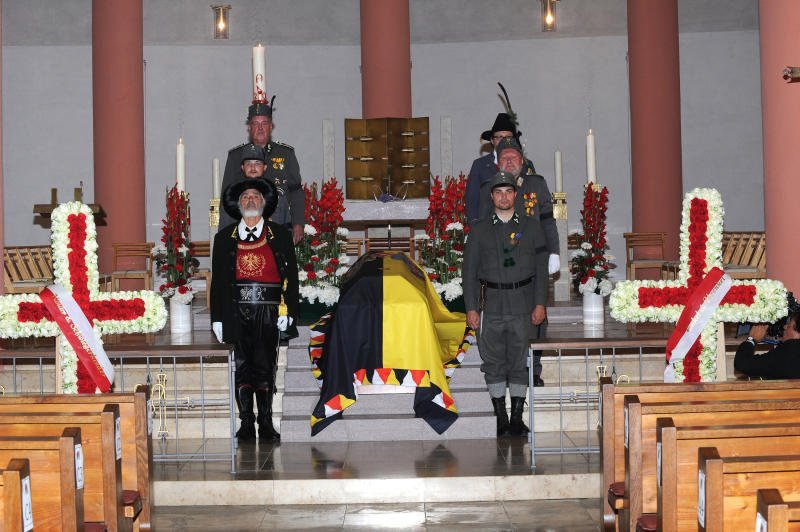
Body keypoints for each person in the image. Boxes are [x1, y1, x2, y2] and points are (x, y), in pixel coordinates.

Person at [210, 179, 299, 441]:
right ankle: (246, 422)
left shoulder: (280, 235)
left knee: (265, 366)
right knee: (241, 367)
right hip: (235, 311)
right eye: (246, 197)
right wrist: (217, 318)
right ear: (239, 204)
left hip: (268, 312)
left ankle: (266, 422)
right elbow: (218, 281)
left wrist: (288, 312)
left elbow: (292, 278)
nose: (250, 200)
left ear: (264, 202)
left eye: (255, 196)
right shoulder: (224, 238)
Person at [462, 171, 549, 437]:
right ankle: (501, 418)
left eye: (508, 192)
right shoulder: (479, 230)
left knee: (520, 362)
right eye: (498, 192)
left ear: (515, 195)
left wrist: (540, 303)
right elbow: (469, 272)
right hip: (491, 305)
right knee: (494, 362)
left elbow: (541, 270)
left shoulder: (532, 227)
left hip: (523, 303)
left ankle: (517, 418)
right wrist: (471, 308)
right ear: (492, 196)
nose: (503, 197)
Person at [478, 137, 560, 387]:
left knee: (536, 317)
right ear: (498, 163)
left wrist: (554, 252)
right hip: (502, 265)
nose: (510, 161)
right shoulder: (488, 188)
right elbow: (481, 226)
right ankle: (505, 369)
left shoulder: (536, 184)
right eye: (505, 158)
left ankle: (533, 370)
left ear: (522, 161)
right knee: (504, 319)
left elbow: (548, 220)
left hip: (533, 260)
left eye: (514, 157)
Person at [220, 101, 305, 244]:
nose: (260, 128)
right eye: (255, 123)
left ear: (271, 126)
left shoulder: (286, 154)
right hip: (243, 230)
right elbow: (226, 197)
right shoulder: (236, 156)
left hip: (279, 224)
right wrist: (224, 234)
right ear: (249, 127)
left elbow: (296, 191)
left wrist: (298, 223)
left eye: (264, 123)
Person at [465, 113, 537, 225]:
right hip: (488, 227)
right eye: (499, 137)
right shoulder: (480, 165)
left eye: (508, 137)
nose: (503, 141)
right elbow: (472, 201)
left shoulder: (526, 164)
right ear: (492, 140)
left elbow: (533, 196)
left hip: (521, 225)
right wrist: (475, 227)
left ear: (514, 140)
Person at [734, 311, 800, 379]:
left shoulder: (789, 351)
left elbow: (742, 364)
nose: (784, 327)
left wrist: (751, 339)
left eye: (789, 326)